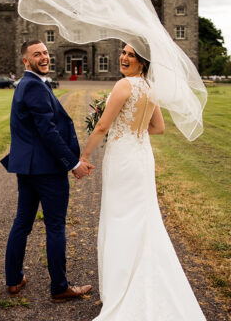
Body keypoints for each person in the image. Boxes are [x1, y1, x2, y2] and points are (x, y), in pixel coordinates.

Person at [80, 44, 207, 320]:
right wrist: (133, 127)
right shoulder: (150, 89)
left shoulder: (124, 86)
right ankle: (148, 276)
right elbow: (157, 128)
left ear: (142, 62)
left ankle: (122, 288)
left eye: (131, 55)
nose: (124, 58)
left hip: (123, 158)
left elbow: (102, 126)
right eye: (124, 52)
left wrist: (84, 155)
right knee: (143, 218)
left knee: (119, 217)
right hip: (140, 157)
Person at [1, 39, 93, 301]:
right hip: (47, 171)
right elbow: (48, 132)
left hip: (28, 169)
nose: (44, 57)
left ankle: (14, 280)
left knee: (23, 222)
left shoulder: (28, 84)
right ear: (25, 60)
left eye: (45, 53)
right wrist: (74, 163)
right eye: (36, 54)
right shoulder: (33, 87)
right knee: (54, 227)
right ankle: (60, 288)